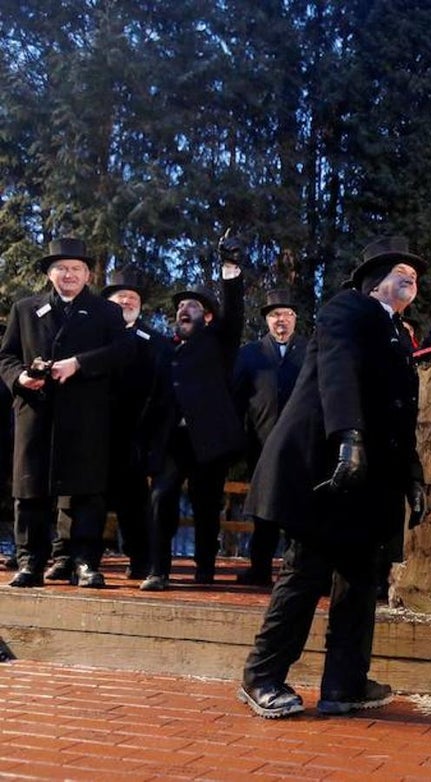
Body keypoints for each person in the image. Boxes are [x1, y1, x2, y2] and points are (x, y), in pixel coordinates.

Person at [238, 236, 425, 719]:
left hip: (368, 481)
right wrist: (348, 437)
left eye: (416, 275)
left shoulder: (400, 334)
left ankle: (344, 684)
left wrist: (412, 477)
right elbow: (337, 373)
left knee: (360, 581)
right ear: (372, 280)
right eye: (400, 271)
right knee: (307, 572)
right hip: (325, 469)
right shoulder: (348, 309)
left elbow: (401, 414)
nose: (412, 278)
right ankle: (262, 676)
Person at [0, 238, 132, 588]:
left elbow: (123, 353)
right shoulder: (25, 309)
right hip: (35, 414)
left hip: (85, 417)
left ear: (88, 274)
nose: (68, 274)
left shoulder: (106, 312)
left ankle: (85, 562)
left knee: (85, 494)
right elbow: (6, 357)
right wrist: (21, 377)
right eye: (61, 268)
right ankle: (30, 563)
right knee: (29, 493)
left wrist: (79, 364)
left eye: (76, 268)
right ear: (49, 274)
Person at [139, 237, 246, 590]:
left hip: (210, 441)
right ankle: (159, 570)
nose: (184, 309)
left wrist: (230, 267)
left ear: (209, 316)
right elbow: (153, 399)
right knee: (161, 496)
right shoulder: (163, 351)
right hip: (172, 440)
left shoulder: (217, 342)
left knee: (206, 504)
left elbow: (234, 313)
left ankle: (204, 569)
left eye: (194, 306)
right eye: (181, 305)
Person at [232, 289, 308, 586]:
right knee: (263, 510)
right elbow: (237, 399)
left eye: (287, 315)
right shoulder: (249, 354)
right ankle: (259, 568)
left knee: (297, 509)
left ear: (295, 319)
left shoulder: (309, 351)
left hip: (299, 445)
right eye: (276, 315)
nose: (282, 321)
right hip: (261, 445)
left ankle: (295, 569)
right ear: (266, 320)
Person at [102, 267, 170, 580]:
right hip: (96, 435)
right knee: (86, 501)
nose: (127, 302)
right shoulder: (93, 336)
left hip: (136, 437)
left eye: (133, 298)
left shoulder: (156, 342)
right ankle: (78, 558)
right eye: (120, 297)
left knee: (134, 505)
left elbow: (163, 394)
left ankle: (139, 558)